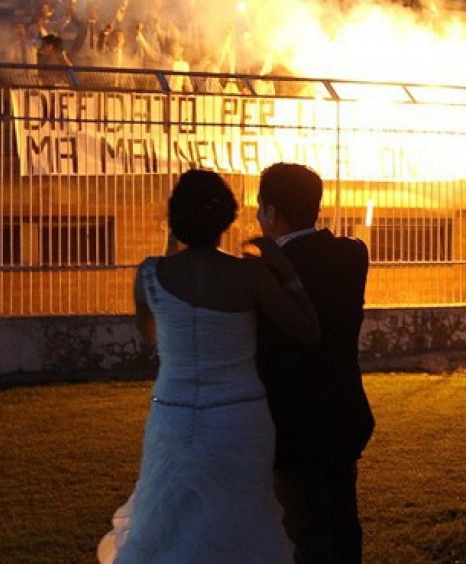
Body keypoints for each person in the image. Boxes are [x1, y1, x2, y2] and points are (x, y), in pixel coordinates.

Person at [97, 169, 320, 564]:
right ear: (227, 219)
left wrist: (170, 253)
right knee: (243, 523)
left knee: (169, 526)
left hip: (173, 414)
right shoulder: (249, 274)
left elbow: (152, 335)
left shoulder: (150, 274)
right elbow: (307, 329)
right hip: (239, 416)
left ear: (175, 220)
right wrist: (287, 273)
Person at [254, 163, 375, 564]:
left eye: (260, 208)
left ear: (271, 212)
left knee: (303, 531)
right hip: (342, 412)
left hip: (291, 423)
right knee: (344, 522)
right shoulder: (352, 255)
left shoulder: (264, 271)